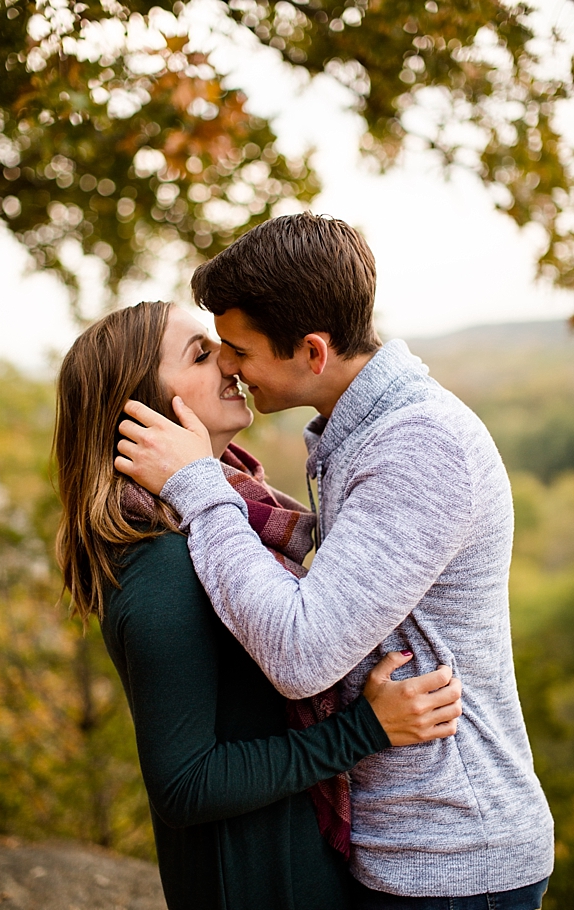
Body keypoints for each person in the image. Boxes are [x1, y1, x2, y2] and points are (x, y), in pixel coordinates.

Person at [114, 213, 553, 907]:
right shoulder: (354, 436)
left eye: (237, 349)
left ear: (312, 353)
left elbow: (300, 655)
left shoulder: (417, 447)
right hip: (408, 848)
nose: (229, 365)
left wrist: (198, 483)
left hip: (455, 859)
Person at [54, 299, 464, 909]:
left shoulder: (223, 528)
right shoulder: (162, 568)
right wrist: (365, 730)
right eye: (202, 353)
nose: (230, 360)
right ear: (141, 410)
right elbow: (185, 784)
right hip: (256, 883)